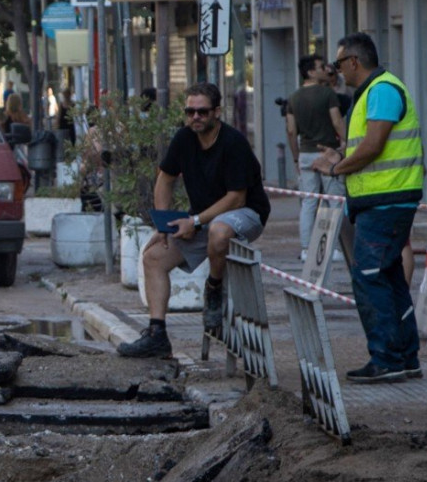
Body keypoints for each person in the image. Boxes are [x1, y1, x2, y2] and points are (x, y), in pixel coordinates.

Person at [120, 82, 271, 358]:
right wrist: (163, 224)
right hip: (204, 218)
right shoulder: (184, 138)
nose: (195, 117)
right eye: (190, 112)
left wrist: (196, 222)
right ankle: (157, 335)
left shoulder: (233, 142)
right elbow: (165, 179)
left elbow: (237, 198)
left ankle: (213, 289)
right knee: (153, 257)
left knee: (219, 231)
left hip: (247, 213)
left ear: (217, 112)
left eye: (202, 112)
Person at [311, 32, 424, 384]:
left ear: (354, 62)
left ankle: (386, 359)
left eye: (338, 63)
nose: (336, 70)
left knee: (368, 276)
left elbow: (374, 146)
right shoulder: (371, 92)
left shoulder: (382, 90)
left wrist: (337, 168)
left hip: (387, 200)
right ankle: (405, 356)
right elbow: (366, 146)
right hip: (382, 199)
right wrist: (339, 156)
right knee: (388, 277)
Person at [286, 54, 346, 260]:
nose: (326, 70)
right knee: (334, 201)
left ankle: (306, 248)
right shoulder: (328, 94)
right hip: (328, 153)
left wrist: (296, 157)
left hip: (305, 153)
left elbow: (291, 131)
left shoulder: (293, 98)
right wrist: (347, 143)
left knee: (309, 203)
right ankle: (335, 248)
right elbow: (337, 121)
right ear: (310, 72)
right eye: (321, 67)